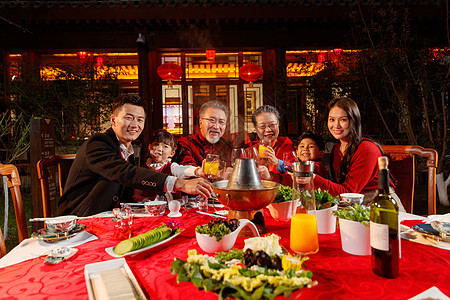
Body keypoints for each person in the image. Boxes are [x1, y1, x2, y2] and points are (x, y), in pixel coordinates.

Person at [58, 94, 212, 217]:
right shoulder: (98, 143)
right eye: (128, 118)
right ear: (113, 120)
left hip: (113, 217)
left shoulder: (128, 149)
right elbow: (125, 173)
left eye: (140, 120)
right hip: (80, 220)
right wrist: (181, 184)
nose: (135, 125)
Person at [313, 97, 405, 210]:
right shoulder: (337, 149)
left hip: (380, 205)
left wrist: (312, 178)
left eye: (343, 120)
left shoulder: (367, 149)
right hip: (353, 206)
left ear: (353, 121)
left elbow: (348, 192)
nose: (336, 125)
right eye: (332, 119)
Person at [133, 129, 204, 202]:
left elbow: (183, 170)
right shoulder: (142, 170)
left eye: (165, 146)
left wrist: (197, 171)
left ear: (172, 153)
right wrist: (148, 201)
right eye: (156, 144)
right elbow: (136, 195)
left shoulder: (171, 167)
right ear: (150, 147)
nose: (159, 149)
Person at [174, 100, 232, 167]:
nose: (216, 127)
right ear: (200, 122)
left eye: (221, 122)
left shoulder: (228, 146)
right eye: (212, 120)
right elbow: (187, 171)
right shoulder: (186, 144)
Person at [245, 105, 295, 173]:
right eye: (262, 126)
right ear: (255, 128)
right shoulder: (249, 151)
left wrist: (277, 162)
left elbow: (296, 172)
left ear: (278, 124)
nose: (268, 129)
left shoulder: (287, 147)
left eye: (272, 125)